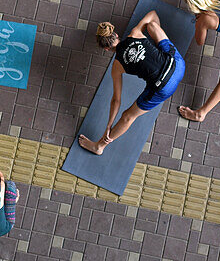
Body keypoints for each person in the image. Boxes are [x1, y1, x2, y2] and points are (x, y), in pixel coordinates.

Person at [78, 11, 186, 155]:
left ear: (105, 49)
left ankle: (99, 147)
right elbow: (153, 14)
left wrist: (109, 125)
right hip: (178, 66)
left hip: (165, 86)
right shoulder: (135, 32)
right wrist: (155, 47)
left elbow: (116, 100)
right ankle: (160, 53)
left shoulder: (116, 67)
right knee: (152, 25)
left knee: (128, 116)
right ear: (116, 35)